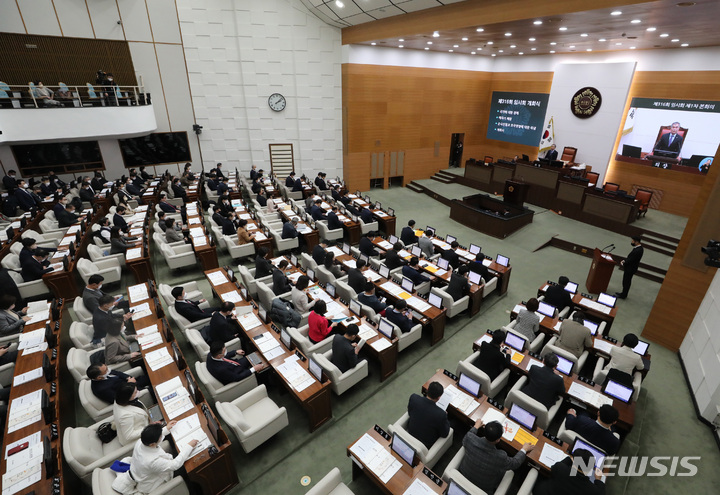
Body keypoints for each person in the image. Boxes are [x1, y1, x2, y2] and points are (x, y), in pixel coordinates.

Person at [459, 420, 533, 493]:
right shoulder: (500, 457)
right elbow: (515, 463)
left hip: (463, 475)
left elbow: (468, 436)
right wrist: (524, 449)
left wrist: (476, 426)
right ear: (498, 440)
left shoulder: (470, 438)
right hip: (484, 488)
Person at [127, 423, 197, 494]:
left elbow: (154, 438)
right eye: (160, 436)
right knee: (190, 465)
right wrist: (189, 446)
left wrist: (166, 428)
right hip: (156, 481)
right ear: (152, 444)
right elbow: (175, 465)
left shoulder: (140, 442)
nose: (161, 437)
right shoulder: (151, 461)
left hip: (148, 472)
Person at [533, 449, 606, 495]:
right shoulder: (592, 490)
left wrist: (570, 459)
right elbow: (600, 491)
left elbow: (558, 465)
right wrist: (598, 480)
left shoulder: (560, 468)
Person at [406, 381, 450, 449]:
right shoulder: (441, 415)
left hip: (409, 434)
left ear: (427, 390)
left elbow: (410, 413)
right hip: (425, 445)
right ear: (439, 398)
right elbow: (445, 434)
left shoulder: (414, 398)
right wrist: (445, 417)